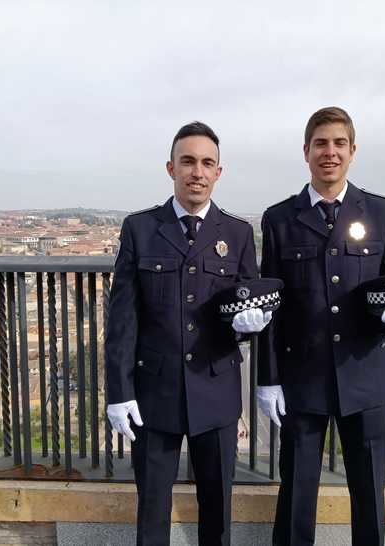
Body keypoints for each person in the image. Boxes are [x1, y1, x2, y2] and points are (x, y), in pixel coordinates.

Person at [258, 107, 385, 546]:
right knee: (296, 492)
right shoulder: (279, 218)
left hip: (365, 377)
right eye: (320, 143)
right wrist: (268, 379)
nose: (329, 152)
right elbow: (270, 306)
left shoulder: (381, 211)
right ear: (306, 152)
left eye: (338, 143)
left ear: (352, 151)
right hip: (303, 380)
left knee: (369, 495)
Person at [105, 121, 272, 546]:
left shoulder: (236, 233)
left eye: (207, 163)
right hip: (154, 393)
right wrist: (118, 391)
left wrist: (250, 327)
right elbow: (123, 318)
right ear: (171, 168)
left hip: (215, 391)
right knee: (152, 510)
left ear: (219, 172)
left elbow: (249, 303)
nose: (197, 171)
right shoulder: (140, 229)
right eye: (188, 161)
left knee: (217, 512)